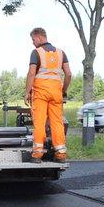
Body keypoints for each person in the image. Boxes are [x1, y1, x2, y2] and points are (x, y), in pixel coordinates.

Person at [24, 27, 71, 162]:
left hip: (40, 94)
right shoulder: (61, 53)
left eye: (33, 40)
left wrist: (27, 92)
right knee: (57, 123)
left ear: (39, 38)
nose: (33, 43)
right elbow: (68, 74)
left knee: (39, 123)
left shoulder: (36, 53)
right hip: (56, 94)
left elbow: (32, 73)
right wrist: (64, 90)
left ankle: (37, 155)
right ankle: (60, 155)